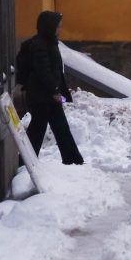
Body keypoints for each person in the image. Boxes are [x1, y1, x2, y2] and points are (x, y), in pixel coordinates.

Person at [20, 11, 84, 164]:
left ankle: (73, 160)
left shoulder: (48, 41)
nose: (59, 29)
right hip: (43, 96)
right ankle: (26, 161)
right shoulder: (40, 45)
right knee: (40, 129)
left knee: (57, 127)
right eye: (57, 26)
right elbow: (43, 71)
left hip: (45, 95)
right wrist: (54, 91)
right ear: (49, 26)